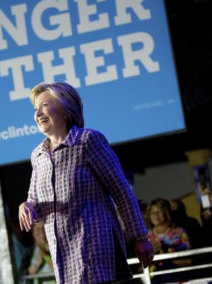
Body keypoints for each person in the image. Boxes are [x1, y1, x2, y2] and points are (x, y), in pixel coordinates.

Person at [18, 82, 154, 284]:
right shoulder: (37, 155)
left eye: (45, 105)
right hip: (62, 255)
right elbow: (34, 201)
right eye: (35, 108)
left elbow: (122, 192)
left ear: (66, 110)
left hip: (94, 248)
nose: (38, 113)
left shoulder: (87, 141)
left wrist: (140, 238)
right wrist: (26, 206)